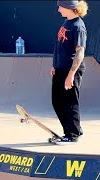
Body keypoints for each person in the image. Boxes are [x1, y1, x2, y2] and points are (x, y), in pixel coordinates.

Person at [51, 0, 88, 144]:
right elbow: (59, 46)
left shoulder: (78, 26)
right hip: (60, 69)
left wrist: (71, 75)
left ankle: (72, 134)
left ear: (68, 8)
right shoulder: (67, 22)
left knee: (70, 102)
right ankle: (73, 129)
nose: (59, 9)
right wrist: (55, 65)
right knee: (57, 101)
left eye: (60, 6)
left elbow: (80, 53)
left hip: (70, 70)